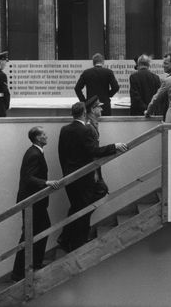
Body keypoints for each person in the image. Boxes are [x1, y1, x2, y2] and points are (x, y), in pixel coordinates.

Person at [57, 102, 127, 252]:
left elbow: (61, 154)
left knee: (78, 207)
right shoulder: (86, 130)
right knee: (83, 209)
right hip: (84, 177)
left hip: (70, 177)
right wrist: (114, 146)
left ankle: (66, 238)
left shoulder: (64, 129)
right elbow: (94, 151)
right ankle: (77, 244)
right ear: (84, 113)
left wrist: (66, 174)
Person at [11, 126, 60, 281]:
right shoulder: (34, 153)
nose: (46, 136)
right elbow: (28, 178)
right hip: (32, 201)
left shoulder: (35, 151)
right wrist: (46, 182)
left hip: (35, 201)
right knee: (29, 234)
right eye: (43, 134)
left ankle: (34, 264)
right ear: (38, 138)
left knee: (40, 229)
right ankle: (19, 273)